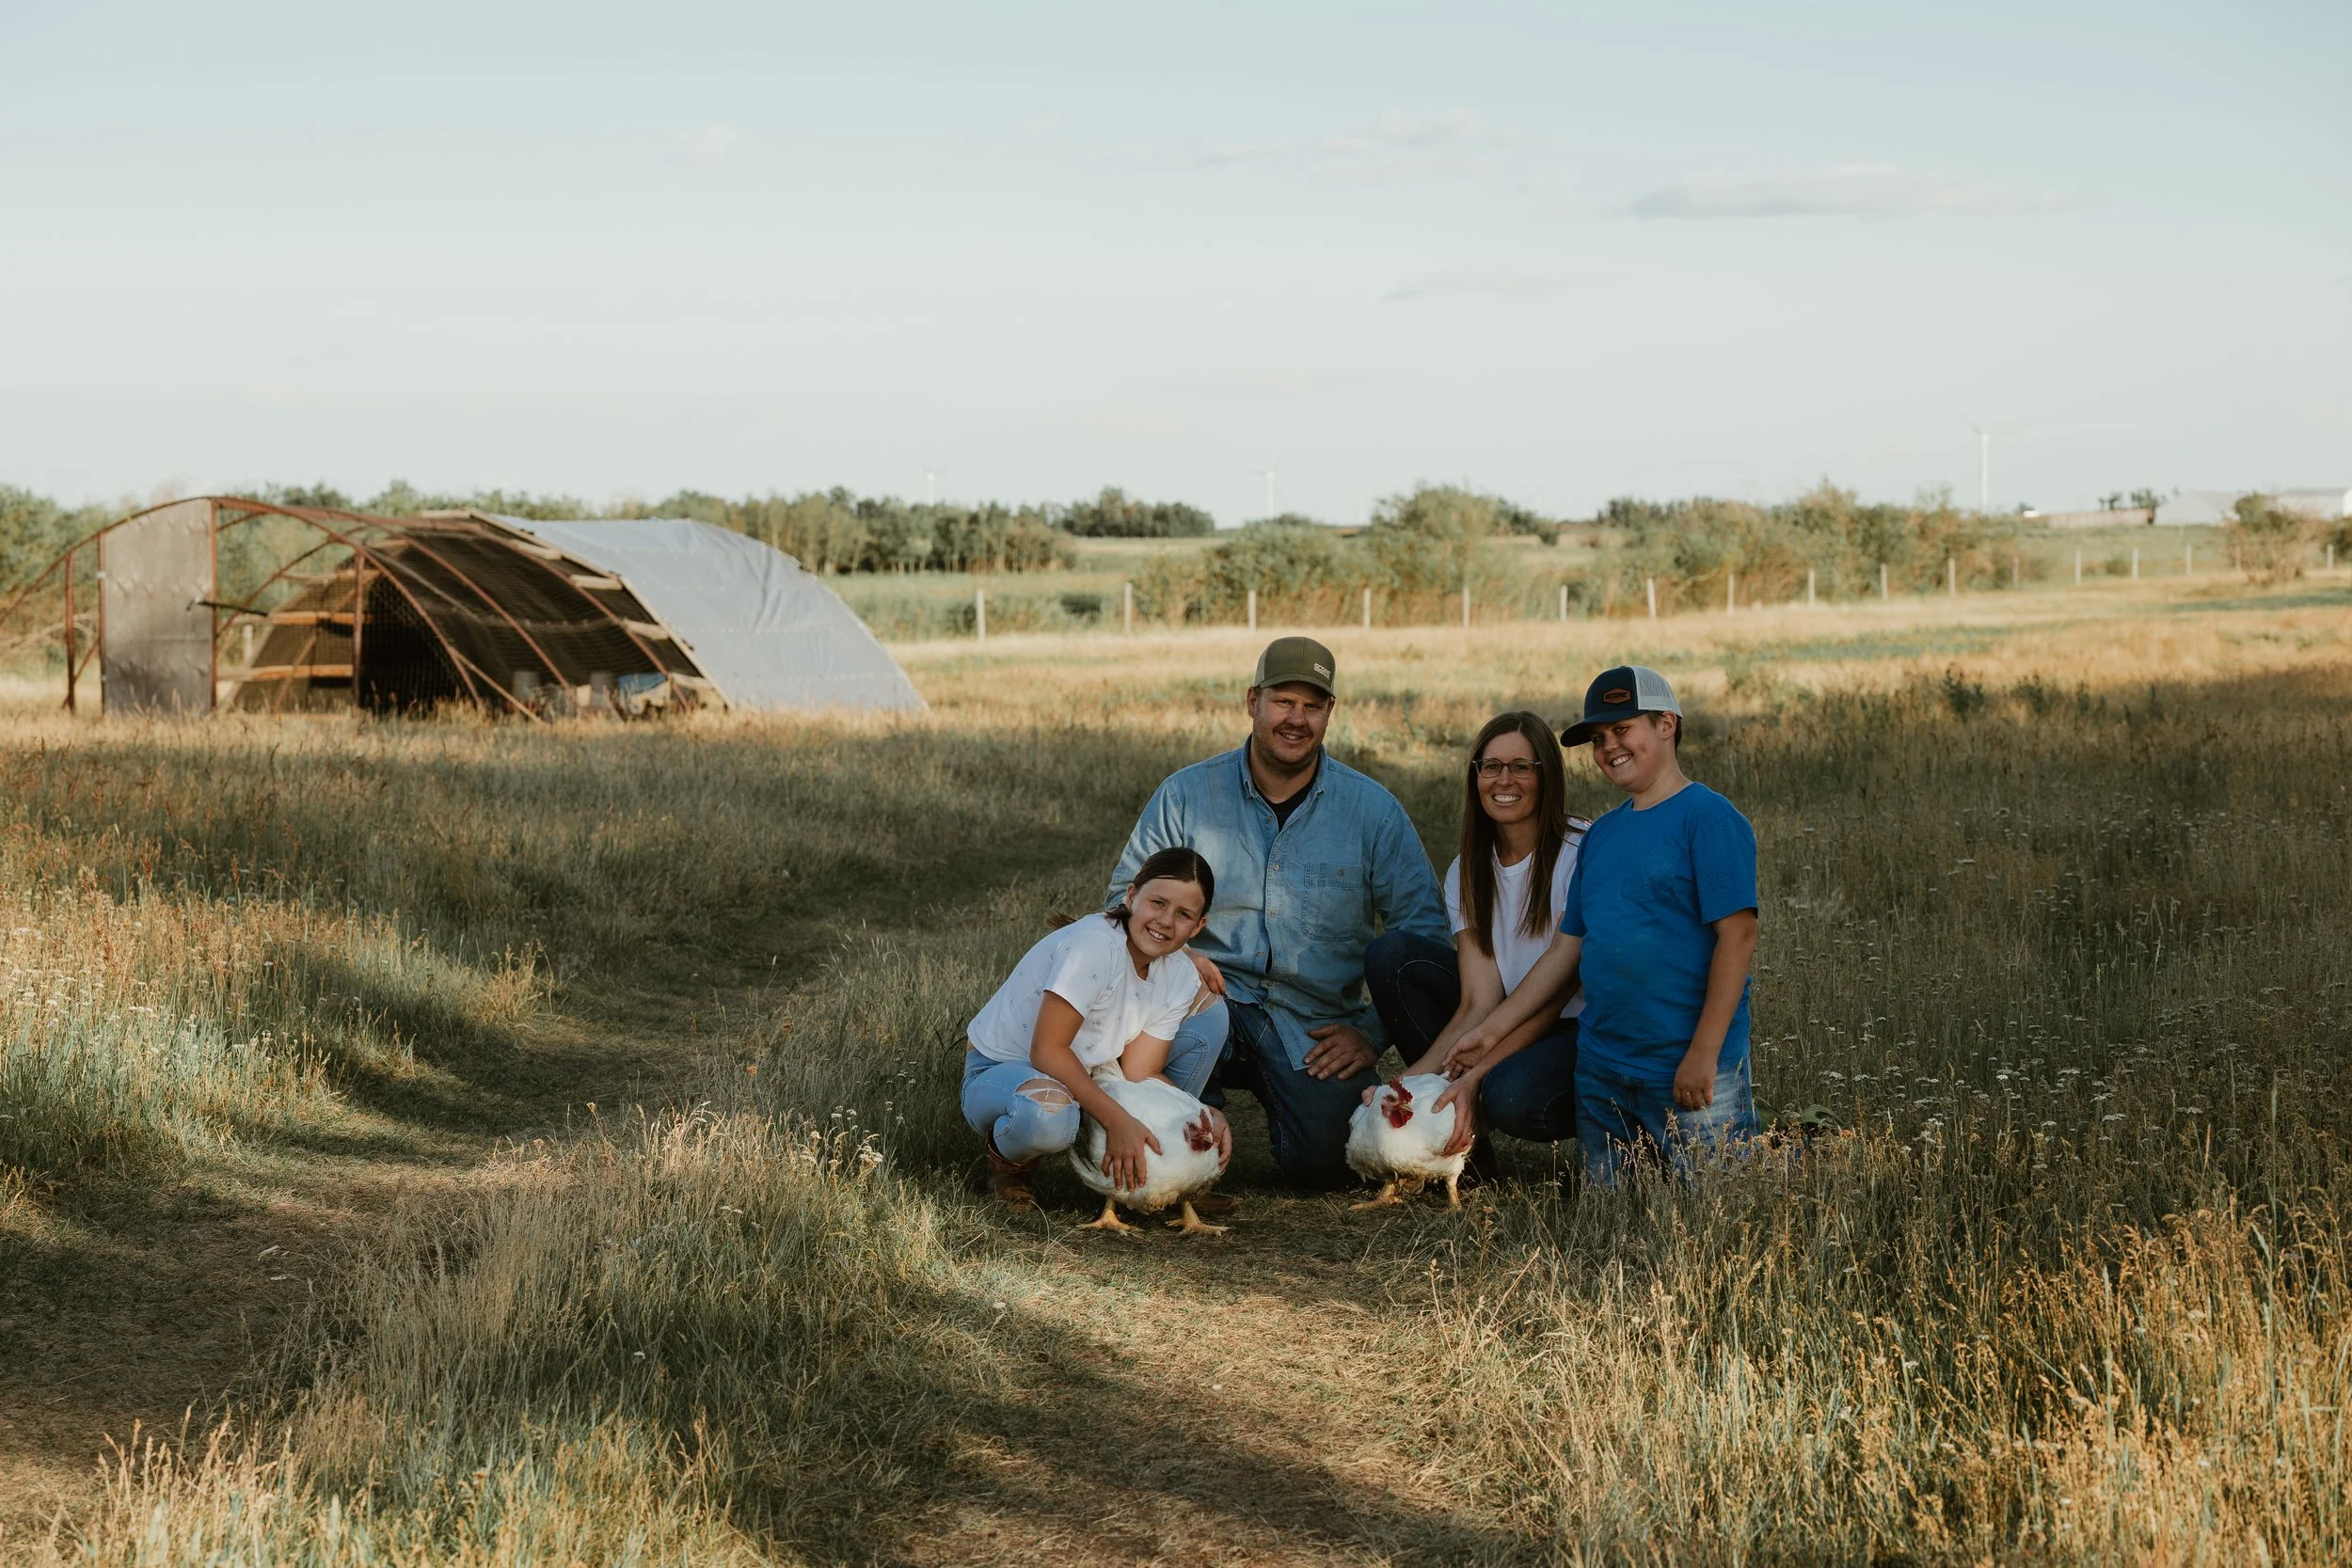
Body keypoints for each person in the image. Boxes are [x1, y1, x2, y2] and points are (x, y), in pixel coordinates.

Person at [1107, 637, 1449, 1189]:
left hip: (1309, 1025)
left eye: (1312, 706)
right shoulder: (1186, 795)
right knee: (1174, 1126)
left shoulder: (1373, 811)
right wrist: (1182, 954)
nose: (1297, 719)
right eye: (1283, 701)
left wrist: (1370, 1030)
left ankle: (1289, 1131)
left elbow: (1423, 935)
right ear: (1252, 702)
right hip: (1202, 1000)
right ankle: (1192, 1140)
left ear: (1330, 713)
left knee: (1334, 1167)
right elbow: (1119, 899)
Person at [1448, 667, 1759, 1184]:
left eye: (1622, 729)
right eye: (1598, 738)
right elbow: (1565, 950)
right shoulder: (1603, 835)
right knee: (1614, 1214)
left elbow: (1738, 936)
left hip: (1686, 1062)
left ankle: (1792, 1151)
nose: (1609, 746)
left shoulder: (1709, 818)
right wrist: (1490, 1031)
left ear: (1666, 723)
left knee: (1717, 1209)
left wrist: (1704, 1053)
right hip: (1604, 1066)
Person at [1362, 711, 1590, 1180]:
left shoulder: (1581, 851)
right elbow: (1478, 1003)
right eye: (1491, 766)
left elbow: (1555, 995)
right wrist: (1403, 1086)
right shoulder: (1468, 869)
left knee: (1510, 1098)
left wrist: (1476, 1074)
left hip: (1573, 1026)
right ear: (1476, 776)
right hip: (1504, 1012)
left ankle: (1621, 1137)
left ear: (1547, 776)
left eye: (1522, 767)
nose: (1504, 780)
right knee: (1393, 957)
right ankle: (1451, 1137)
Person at [962, 847, 1232, 1209]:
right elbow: (1047, 1050)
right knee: (1050, 1114)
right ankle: (1008, 1168)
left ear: (1199, 926)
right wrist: (1117, 1119)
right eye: (1158, 903)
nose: (1166, 921)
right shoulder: (1094, 946)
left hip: (1081, 1072)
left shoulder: (1179, 973)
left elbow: (1140, 1072)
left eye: (1183, 914)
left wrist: (1197, 1113)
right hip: (1002, 1069)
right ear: (1132, 895)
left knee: (1211, 1016)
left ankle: (1165, 1176)